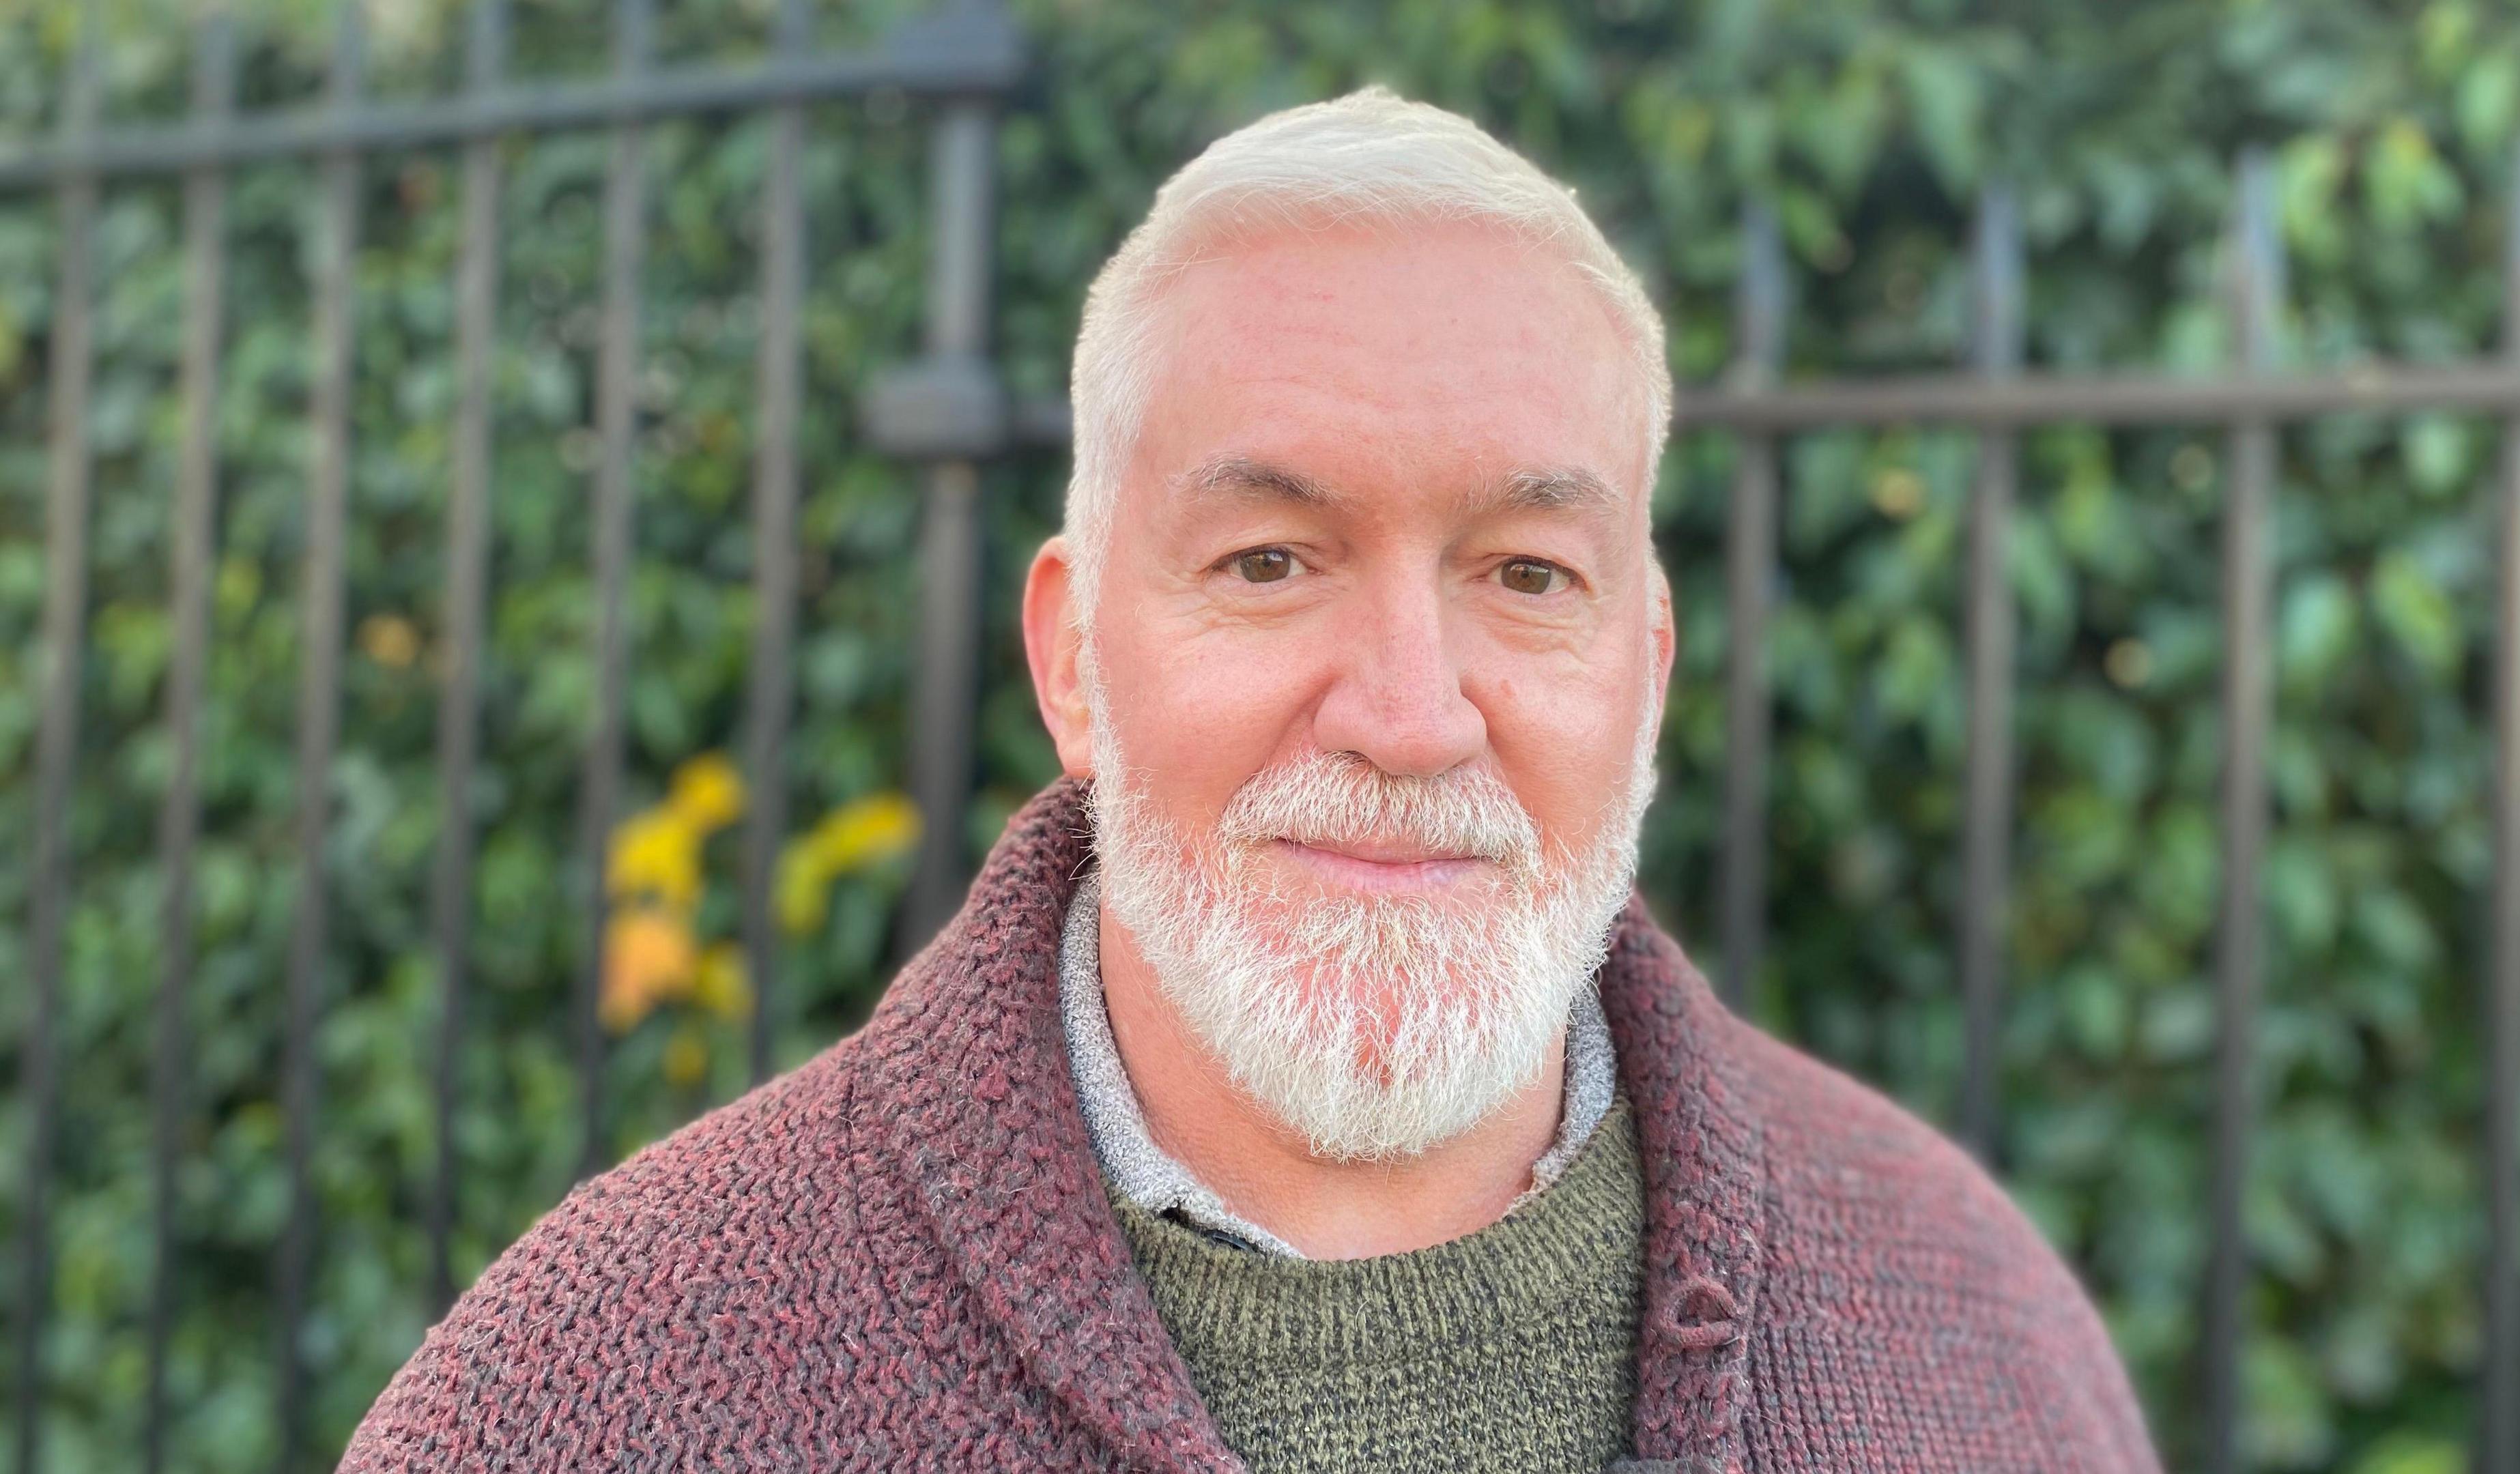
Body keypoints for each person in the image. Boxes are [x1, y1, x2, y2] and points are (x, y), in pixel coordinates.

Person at [340, 88, 2160, 1473]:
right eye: (1270, 561)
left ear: (1648, 671)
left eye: (1527, 576)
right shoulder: (587, 1405)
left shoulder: (1981, 1345)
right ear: (1070, 660)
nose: (1411, 713)